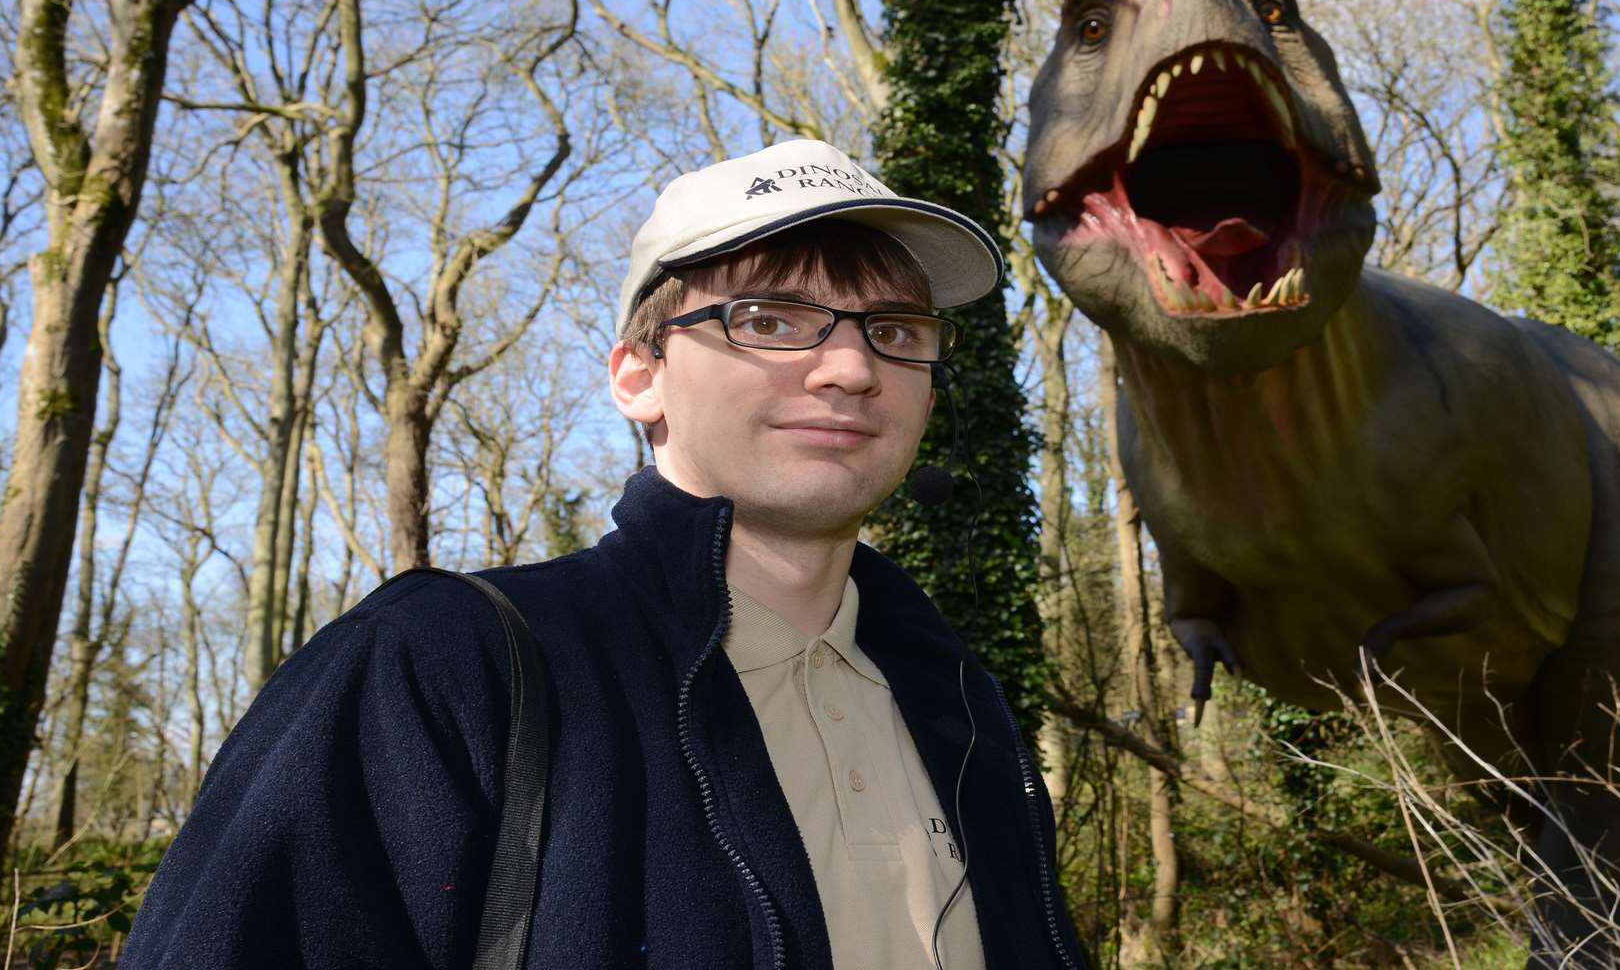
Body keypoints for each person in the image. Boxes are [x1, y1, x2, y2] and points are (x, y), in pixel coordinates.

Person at [123, 139, 1087, 969]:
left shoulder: (955, 698)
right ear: (639, 377)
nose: (850, 366)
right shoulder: (439, 666)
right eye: (771, 320)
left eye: (895, 331)